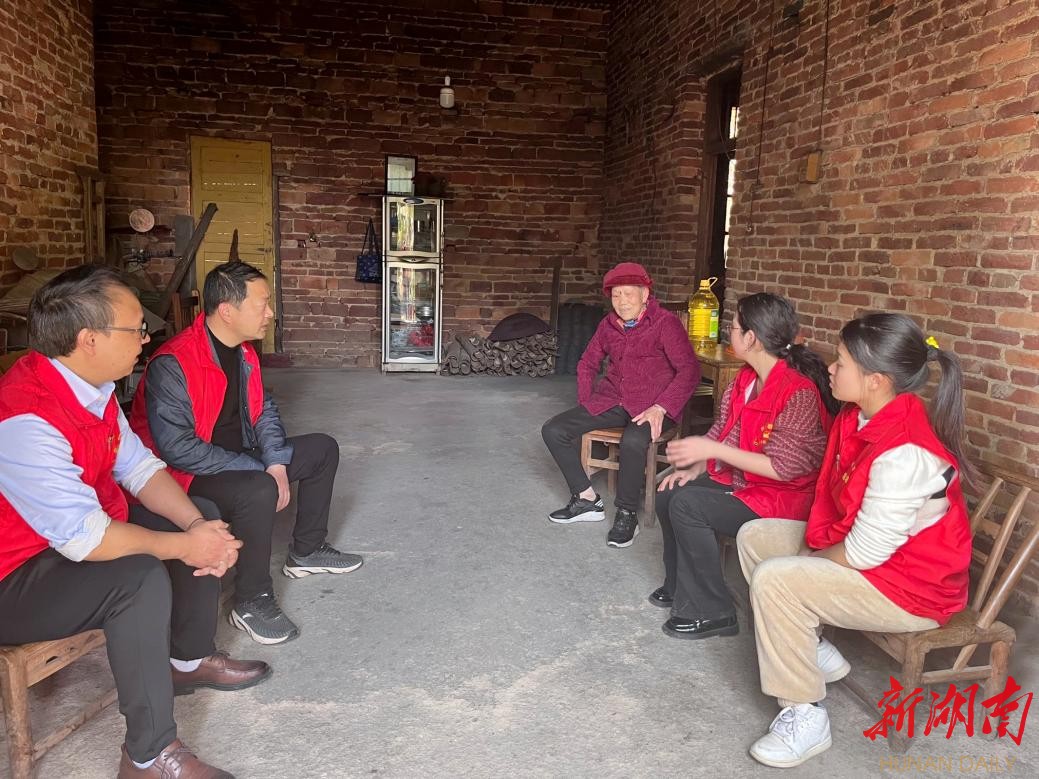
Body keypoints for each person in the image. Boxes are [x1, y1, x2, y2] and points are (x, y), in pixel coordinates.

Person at [0, 265, 270, 779]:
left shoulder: (92, 386)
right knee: (138, 577)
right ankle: (148, 756)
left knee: (200, 515)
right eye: (136, 329)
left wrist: (196, 527)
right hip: (13, 575)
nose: (146, 339)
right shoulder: (25, 419)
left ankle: (187, 661)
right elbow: (86, 539)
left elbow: (140, 468)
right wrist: (185, 548)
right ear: (89, 339)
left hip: (67, 538)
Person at [736, 313, 973, 768]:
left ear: (876, 380)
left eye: (841, 362)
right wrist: (810, 548)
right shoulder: (861, 415)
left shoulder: (906, 454)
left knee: (776, 580)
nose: (830, 368)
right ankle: (810, 648)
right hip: (879, 559)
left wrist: (809, 557)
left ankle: (805, 713)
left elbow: (863, 553)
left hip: (912, 589)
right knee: (756, 537)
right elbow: (840, 509)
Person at [130, 261, 362, 646]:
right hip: (184, 474)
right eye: (262, 304)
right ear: (227, 310)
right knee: (258, 487)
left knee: (322, 449)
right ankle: (251, 599)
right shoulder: (173, 363)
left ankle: (306, 551)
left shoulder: (243, 352)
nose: (270, 313)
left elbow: (263, 410)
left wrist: (275, 462)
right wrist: (259, 469)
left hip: (239, 456)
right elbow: (179, 450)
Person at [652, 293, 837, 639]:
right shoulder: (746, 379)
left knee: (689, 505)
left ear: (752, 338)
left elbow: (782, 469)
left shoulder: (798, 392)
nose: (729, 333)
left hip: (783, 497)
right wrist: (698, 466)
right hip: (745, 482)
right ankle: (680, 586)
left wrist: (709, 449)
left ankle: (713, 611)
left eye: (734, 328)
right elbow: (725, 432)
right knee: (670, 490)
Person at [541, 262, 699, 548]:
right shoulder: (608, 325)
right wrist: (587, 404)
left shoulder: (665, 323)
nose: (622, 301)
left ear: (645, 294)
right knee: (554, 430)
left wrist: (661, 407)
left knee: (633, 441)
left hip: (654, 405)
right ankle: (586, 499)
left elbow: (689, 370)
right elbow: (587, 363)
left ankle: (627, 513)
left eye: (628, 294)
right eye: (616, 295)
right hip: (613, 399)